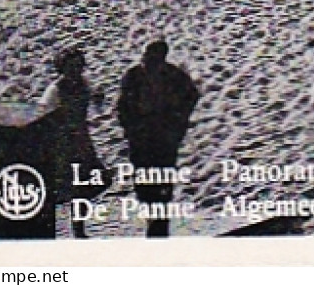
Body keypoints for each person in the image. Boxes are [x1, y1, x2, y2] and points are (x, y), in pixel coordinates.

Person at [115, 40, 200, 238]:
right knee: (144, 183)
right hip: (141, 139)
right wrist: (131, 127)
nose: (150, 61)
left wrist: (177, 121)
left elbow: (191, 96)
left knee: (163, 183)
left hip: (164, 138)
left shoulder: (173, 75)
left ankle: (159, 226)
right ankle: (153, 220)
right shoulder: (134, 76)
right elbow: (122, 107)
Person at [38, 47, 104, 238]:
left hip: (82, 140)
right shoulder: (55, 90)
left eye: (79, 66)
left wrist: (98, 98)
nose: (76, 70)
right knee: (72, 187)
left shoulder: (84, 83)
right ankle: (72, 230)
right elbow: (43, 115)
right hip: (63, 143)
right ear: (62, 68)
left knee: (83, 186)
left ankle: (79, 228)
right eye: (71, 67)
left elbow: (96, 104)